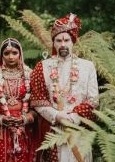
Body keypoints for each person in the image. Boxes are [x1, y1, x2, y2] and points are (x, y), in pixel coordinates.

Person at [30, 13, 99, 162]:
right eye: (58, 40)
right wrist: (57, 115)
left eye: (66, 40)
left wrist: (73, 118)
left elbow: (93, 100)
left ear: (73, 41)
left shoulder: (88, 66)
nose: (63, 44)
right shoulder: (41, 67)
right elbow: (38, 100)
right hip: (52, 129)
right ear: (53, 43)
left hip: (79, 129)